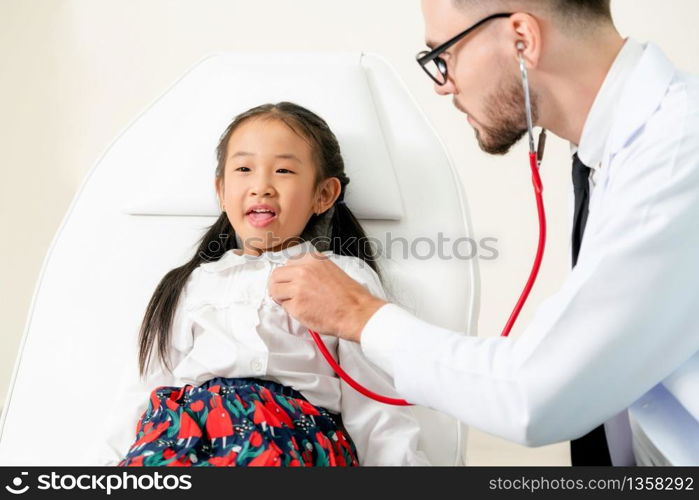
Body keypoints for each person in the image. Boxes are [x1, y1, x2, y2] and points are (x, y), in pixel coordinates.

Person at [268, 0, 699, 465]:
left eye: (444, 55)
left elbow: (535, 395)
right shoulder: (614, 155)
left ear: (523, 40)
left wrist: (360, 313)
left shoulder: (679, 153)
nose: (443, 85)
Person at [86, 102, 428, 467]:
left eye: (282, 170)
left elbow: (375, 405)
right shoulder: (189, 285)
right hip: (185, 441)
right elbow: (140, 394)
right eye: (244, 169)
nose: (260, 187)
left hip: (288, 442)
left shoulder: (343, 278)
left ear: (323, 195)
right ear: (221, 190)